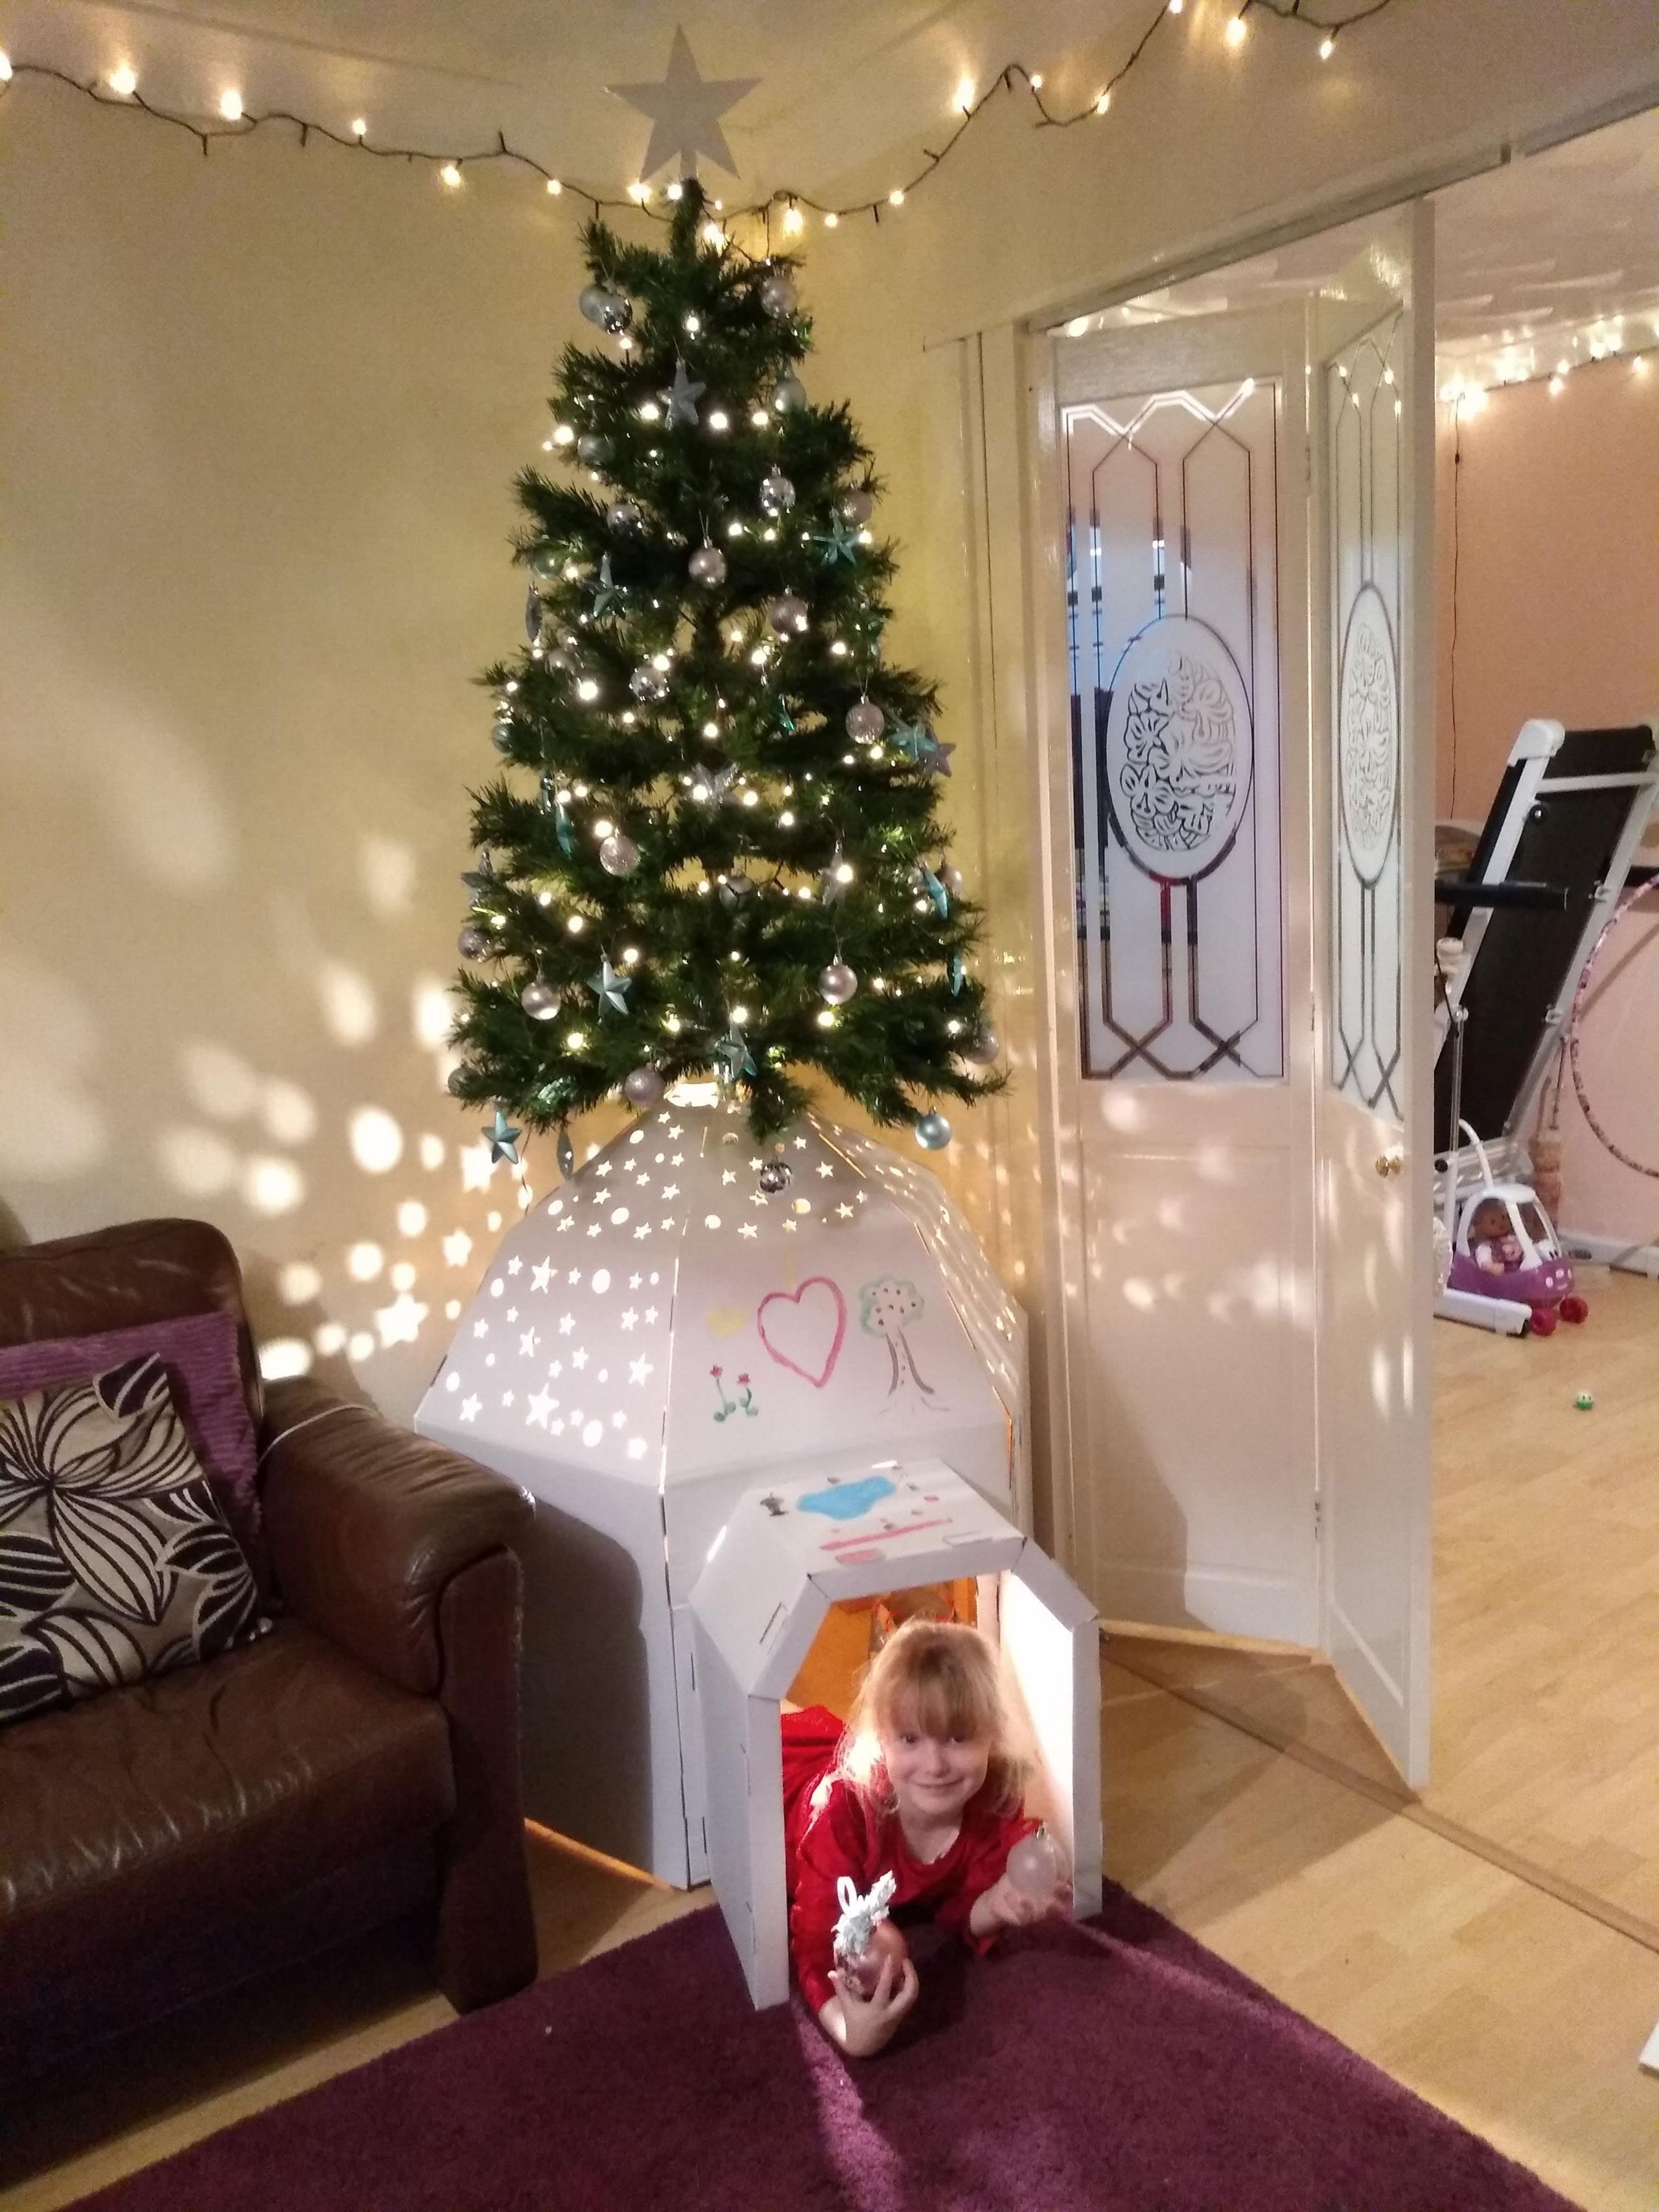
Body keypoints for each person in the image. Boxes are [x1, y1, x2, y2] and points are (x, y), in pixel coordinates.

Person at [782, 1618, 1069, 2058]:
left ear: (991, 1734)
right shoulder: (843, 1810)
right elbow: (816, 1939)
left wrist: (996, 1902)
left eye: (958, 1737)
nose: (935, 1764)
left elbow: (961, 1901)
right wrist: (846, 2028)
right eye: (911, 1738)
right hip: (779, 1787)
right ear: (882, 1737)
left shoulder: (990, 1800)